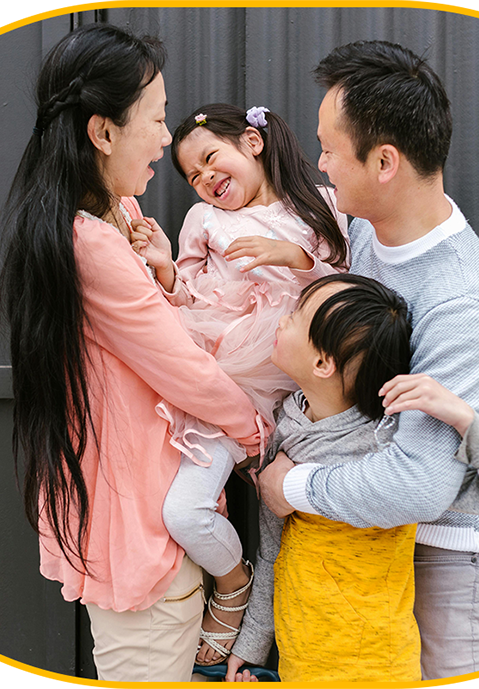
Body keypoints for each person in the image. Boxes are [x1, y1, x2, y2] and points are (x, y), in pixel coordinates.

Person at [0, 25, 263, 682]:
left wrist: (165, 272)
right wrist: (261, 435)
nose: (166, 139)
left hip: (142, 520)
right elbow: (184, 367)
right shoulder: (89, 242)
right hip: (145, 538)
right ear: (102, 132)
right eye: (157, 117)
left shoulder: (110, 212)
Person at [257, 40, 479, 679]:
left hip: (441, 551)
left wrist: (288, 486)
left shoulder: (461, 303)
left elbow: (419, 483)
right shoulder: (366, 232)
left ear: (385, 161)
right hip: (363, 544)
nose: (319, 165)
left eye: (329, 149)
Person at [224, 274, 479, 682]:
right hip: (300, 659)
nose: (282, 319)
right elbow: (273, 549)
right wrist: (252, 645)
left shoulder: (390, 448)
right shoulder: (288, 425)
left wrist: (463, 417)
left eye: (297, 316)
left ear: (323, 363)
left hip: (376, 666)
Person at [127, 102, 348, 666]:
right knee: (182, 513)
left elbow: (347, 293)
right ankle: (231, 580)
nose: (205, 179)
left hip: (295, 409)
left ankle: (259, 648)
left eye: (210, 159)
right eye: (193, 177)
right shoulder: (204, 222)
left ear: (252, 142)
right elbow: (189, 300)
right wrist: (166, 269)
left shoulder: (320, 206)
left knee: (288, 531)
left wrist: (290, 253)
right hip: (217, 394)